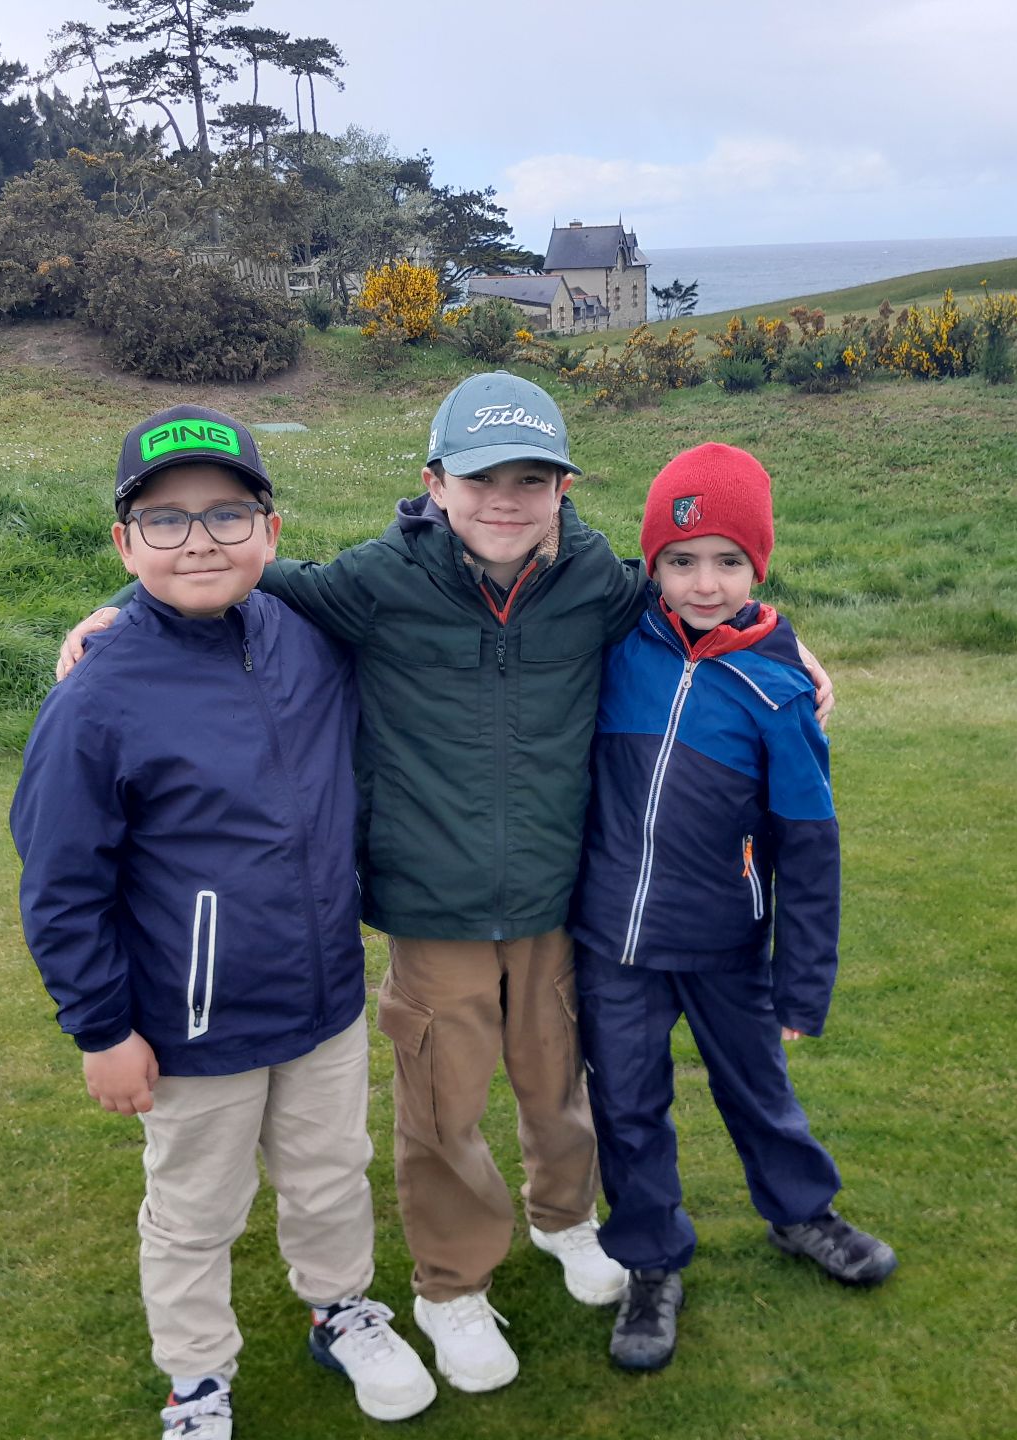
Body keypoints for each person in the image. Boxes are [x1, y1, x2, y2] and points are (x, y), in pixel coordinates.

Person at [56, 375, 835, 1394]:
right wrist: (116, 609)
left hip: (559, 899)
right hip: (433, 909)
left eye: (531, 480)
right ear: (434, 483)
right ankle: (453, 1285)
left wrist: (787, 642)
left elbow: (701, 602)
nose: (505, 500)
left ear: (563, 491)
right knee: (444, 1108)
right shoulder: (377, 579)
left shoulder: (599, 582)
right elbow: (233, 572)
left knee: (561, 1085)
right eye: (479, 479)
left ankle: (565, 1219)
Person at [10, 404, 435, 1439]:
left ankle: (341, 1308)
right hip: (189, 1025)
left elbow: (431, 578)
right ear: (125, 544)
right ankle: (197, 1378)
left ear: (270, 531)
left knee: (330, 1176)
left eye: (227, 514)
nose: (198, 540)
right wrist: (101, 1030)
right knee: (196, 1210)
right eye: (164, 520)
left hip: (324, 999)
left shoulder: (311, 638)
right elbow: (61, 885)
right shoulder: (97, 696)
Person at [567, 443, 897, 1373]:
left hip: (726, 944)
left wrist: (803, 983)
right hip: (613, 944)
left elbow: (810, 848)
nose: (703, 584)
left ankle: (802, 1213)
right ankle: (652, 1263)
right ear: (652, 565)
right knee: (628, 1108)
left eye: (727, 561)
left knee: (758, 1089)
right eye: (680, 561)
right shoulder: (615, 642)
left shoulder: (780, 690)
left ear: (759, 565)